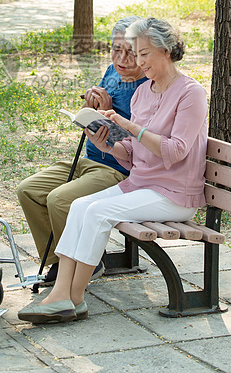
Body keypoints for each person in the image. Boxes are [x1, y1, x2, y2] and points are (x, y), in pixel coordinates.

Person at [18, 17, 208, 324]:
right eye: (138, 53)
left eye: (144, 53)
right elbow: (132, 155)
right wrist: (107, 143)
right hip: (142, 185)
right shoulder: (143, 93)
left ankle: (73, 299)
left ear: (166, 51)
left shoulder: (190, 93)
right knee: (80, 206)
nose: (139, 61)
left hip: (174, 195)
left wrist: (128, 125)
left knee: (95, 213)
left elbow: (176, 150)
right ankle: (60, 295)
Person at [17, 16, 147, 286]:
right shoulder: (114, 71)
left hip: (118, 171)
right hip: (88, 160)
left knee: (59, 200)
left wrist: (107, 117)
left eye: (130, 53)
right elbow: (103, 106)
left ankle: (87, 260)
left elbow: (141, 142)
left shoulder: (147, 87)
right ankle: (56, 262)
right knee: (28, 190)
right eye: (115, 50)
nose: (121, 59)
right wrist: (94, 101)